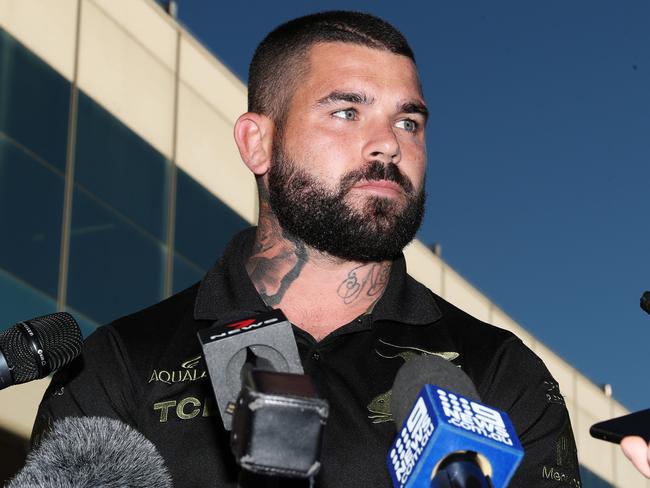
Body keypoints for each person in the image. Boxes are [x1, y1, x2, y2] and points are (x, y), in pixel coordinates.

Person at [31, 11, 581, 487]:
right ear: (258, 142)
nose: (389, 142)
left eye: (408, 122)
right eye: (347, 112)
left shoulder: (499, 372)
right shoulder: (123, 362)